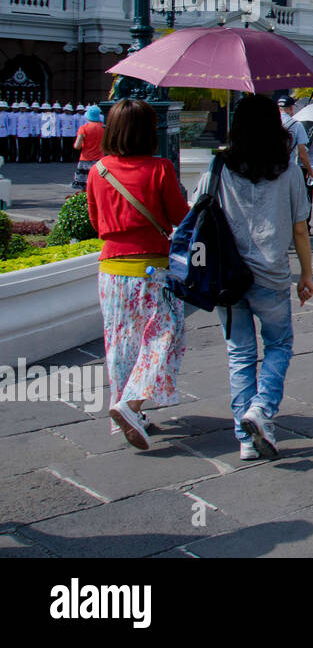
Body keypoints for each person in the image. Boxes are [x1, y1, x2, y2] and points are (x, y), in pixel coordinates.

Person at [197, 95, 313, 460]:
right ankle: (261, 409)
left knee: (240, 354)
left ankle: (246, 440)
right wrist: (306, 274)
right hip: (270, 274)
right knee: (279, 345)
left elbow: (196, 213)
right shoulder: (289, 170)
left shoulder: (217, 167)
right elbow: (300, 230)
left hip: (226, 277)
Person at [85, 99, 190, 451]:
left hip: (112, 269)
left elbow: (96, 220)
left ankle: (131, 412)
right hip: (152, 269)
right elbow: (180, 217)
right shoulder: (159, 168)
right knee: (165, 336)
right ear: (148, 132)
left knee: (121, 345)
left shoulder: (98, 170)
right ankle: (130, 405)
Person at [71, 104, 106, 192]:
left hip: (85, 160)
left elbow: (77, 146)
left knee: (84, 187)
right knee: (98, 185)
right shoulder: (103, 128)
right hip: (99, 160)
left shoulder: (83, 128)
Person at [277, 95, 312, 183]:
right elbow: (302, 154)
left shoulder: (269, 122)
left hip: (270, 170)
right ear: (291, 108)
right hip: (288, 168)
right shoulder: (297, 125)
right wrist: (310, 171)